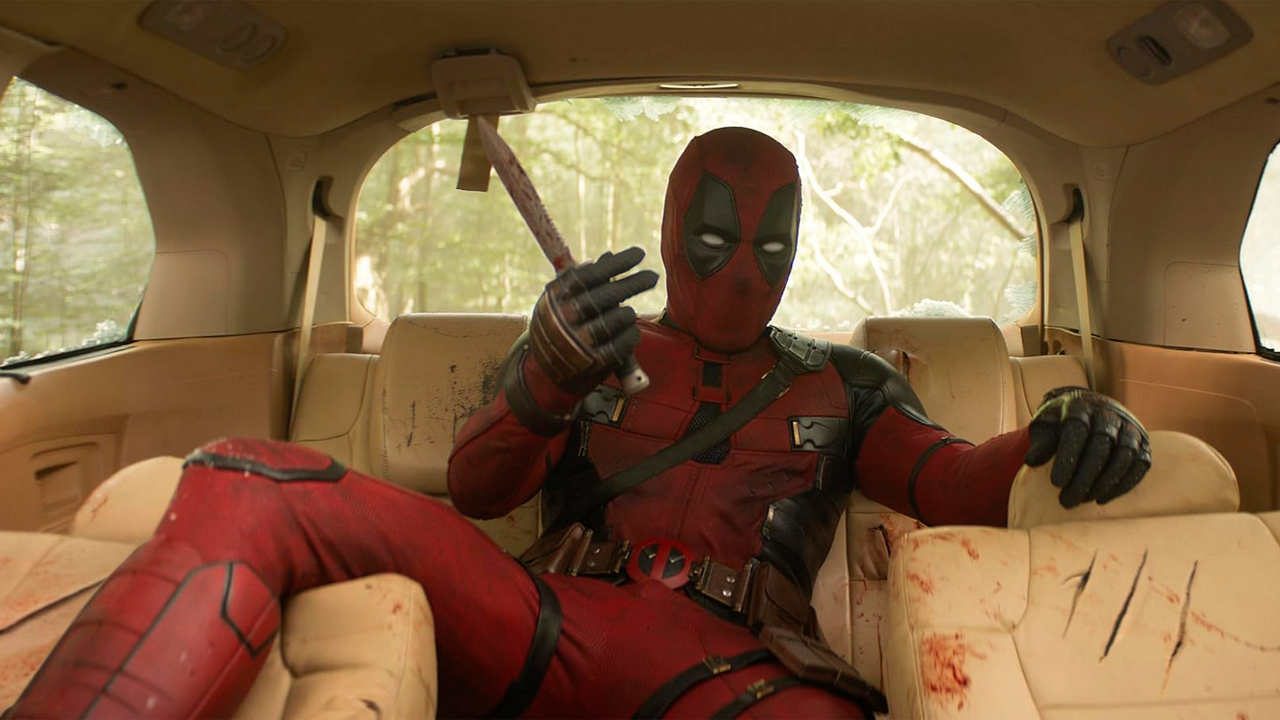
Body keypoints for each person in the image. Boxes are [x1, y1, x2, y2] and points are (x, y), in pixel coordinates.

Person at [8, 127, 1151, 720]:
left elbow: (950, 484)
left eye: (770, 248)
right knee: (247, 479)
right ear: (669, 224)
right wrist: (544, 382)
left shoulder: (841, 384)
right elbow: (479, 488)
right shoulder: (583, 337)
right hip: (548, 622)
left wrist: (1059, 424)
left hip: (743, 668)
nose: (742, 272)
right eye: (714, 240)